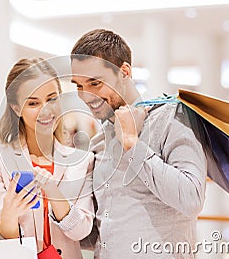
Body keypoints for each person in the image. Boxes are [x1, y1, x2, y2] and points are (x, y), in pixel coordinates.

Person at [70, 29, 207, 258]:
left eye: (95, 83)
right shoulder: (98, 143)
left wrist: (132, 145)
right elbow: (99, 235)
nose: (86, 96)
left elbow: (191, 199)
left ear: (124, 72)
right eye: (79, 86)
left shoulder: (173, 118)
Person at [0, 58, 95, 258]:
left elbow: (81, 231)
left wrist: (55, 193)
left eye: (52, 98)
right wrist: (9, 213)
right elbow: (2, 241)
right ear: (16, 108)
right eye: (33, 103)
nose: (46, 110)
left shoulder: (82, 161)